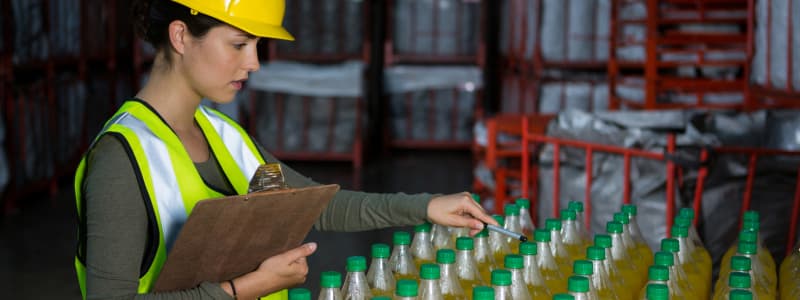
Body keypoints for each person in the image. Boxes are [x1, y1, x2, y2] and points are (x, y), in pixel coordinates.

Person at [74, 0, 497, 299]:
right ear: (181, 36)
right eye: (240, 44)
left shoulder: (224, 135)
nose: (255, 62)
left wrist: (426, 207)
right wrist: (244, 290)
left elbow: (317, 205)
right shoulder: (123, 157)